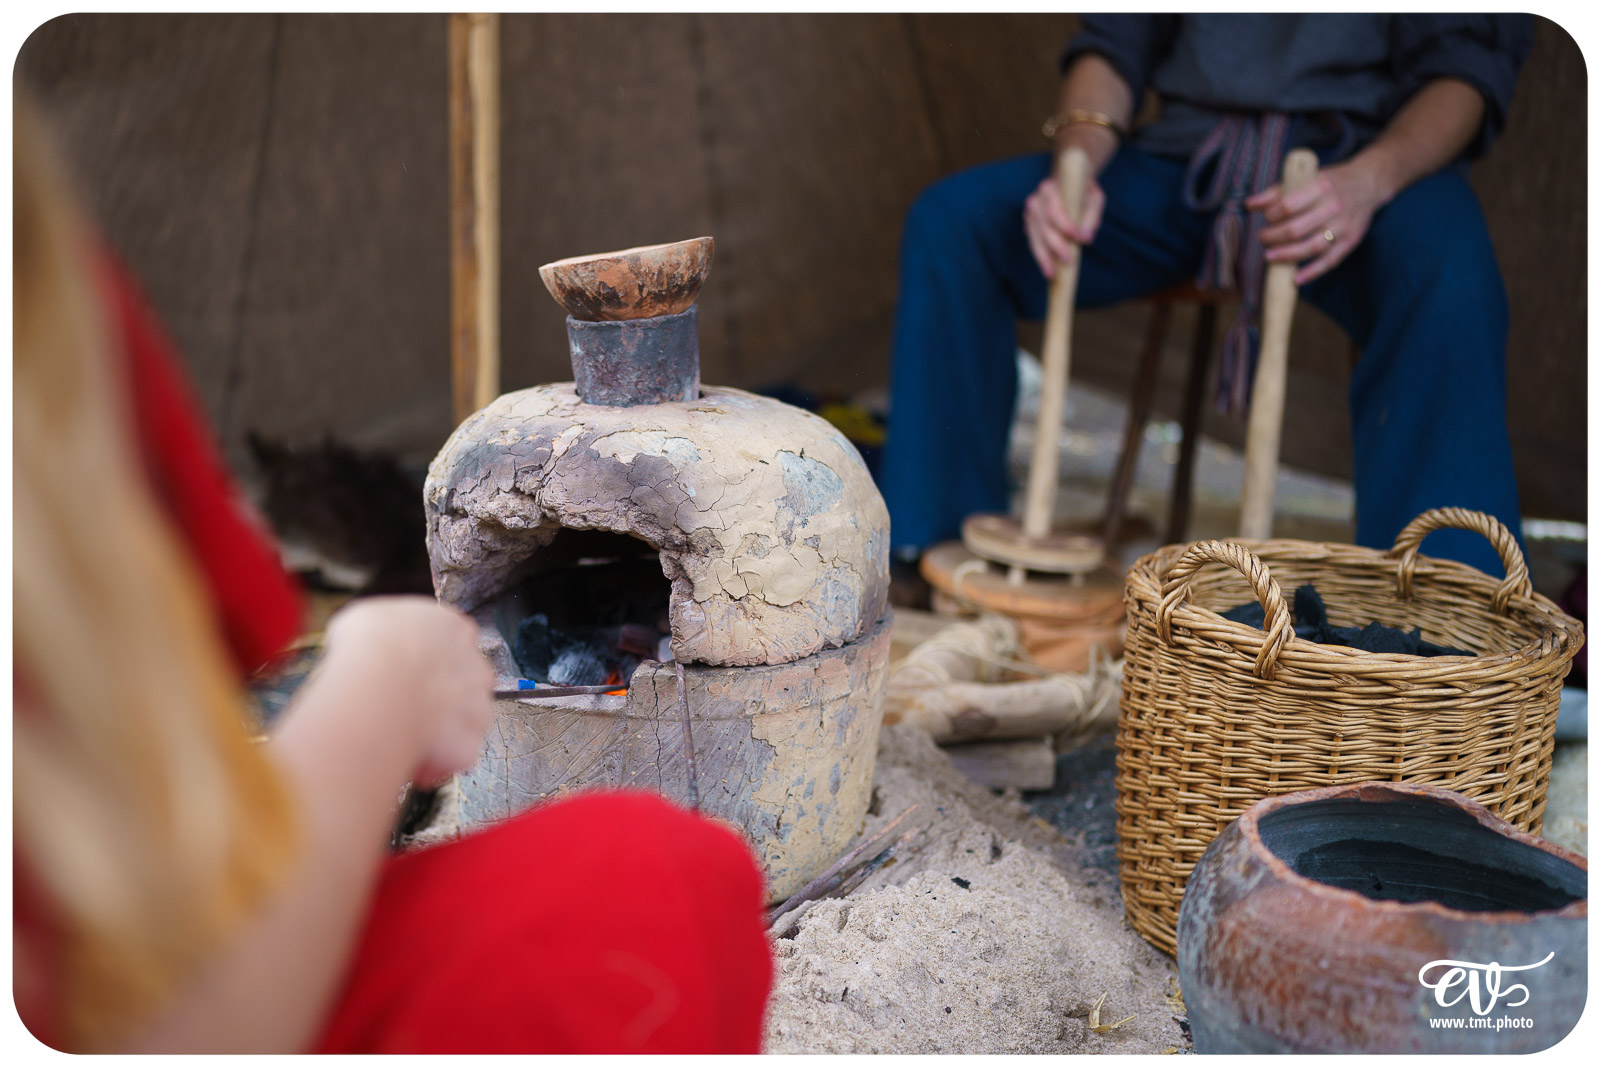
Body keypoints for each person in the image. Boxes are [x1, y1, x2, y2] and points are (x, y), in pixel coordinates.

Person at [12, 101, 772, 1053]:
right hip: (208, 976)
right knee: (664, 874)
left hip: (179, 904)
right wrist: (377, 696)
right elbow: (177, 1005)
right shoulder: (45, 313)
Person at [880, 14, 1535, 578]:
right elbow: (1114, 41)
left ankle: (1446, 620)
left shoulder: (1374, 167)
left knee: (1449, 281)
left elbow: (1466, 68)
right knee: (956, 224)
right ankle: (931, 550)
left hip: (1363, 162)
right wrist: (1075, 165)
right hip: (1187, 159)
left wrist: (1370, 180)